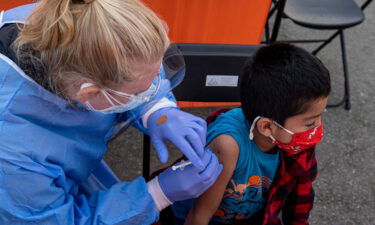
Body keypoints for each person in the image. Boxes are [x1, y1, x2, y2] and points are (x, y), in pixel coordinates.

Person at [0, 0, 223, 224]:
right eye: (140, 92)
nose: (155, 88)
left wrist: (157, 109)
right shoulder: (14, 157)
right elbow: (47, 219)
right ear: (87, 93)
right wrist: (156, 195)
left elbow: (133, 68)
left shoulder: (82, 17)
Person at [170, 43, 331, 225]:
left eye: (319, 117)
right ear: (266, 127)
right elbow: (198, 216)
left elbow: (300, 200)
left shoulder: (295, 139)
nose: (317, 127)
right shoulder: (228, 146)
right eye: (310, 122)